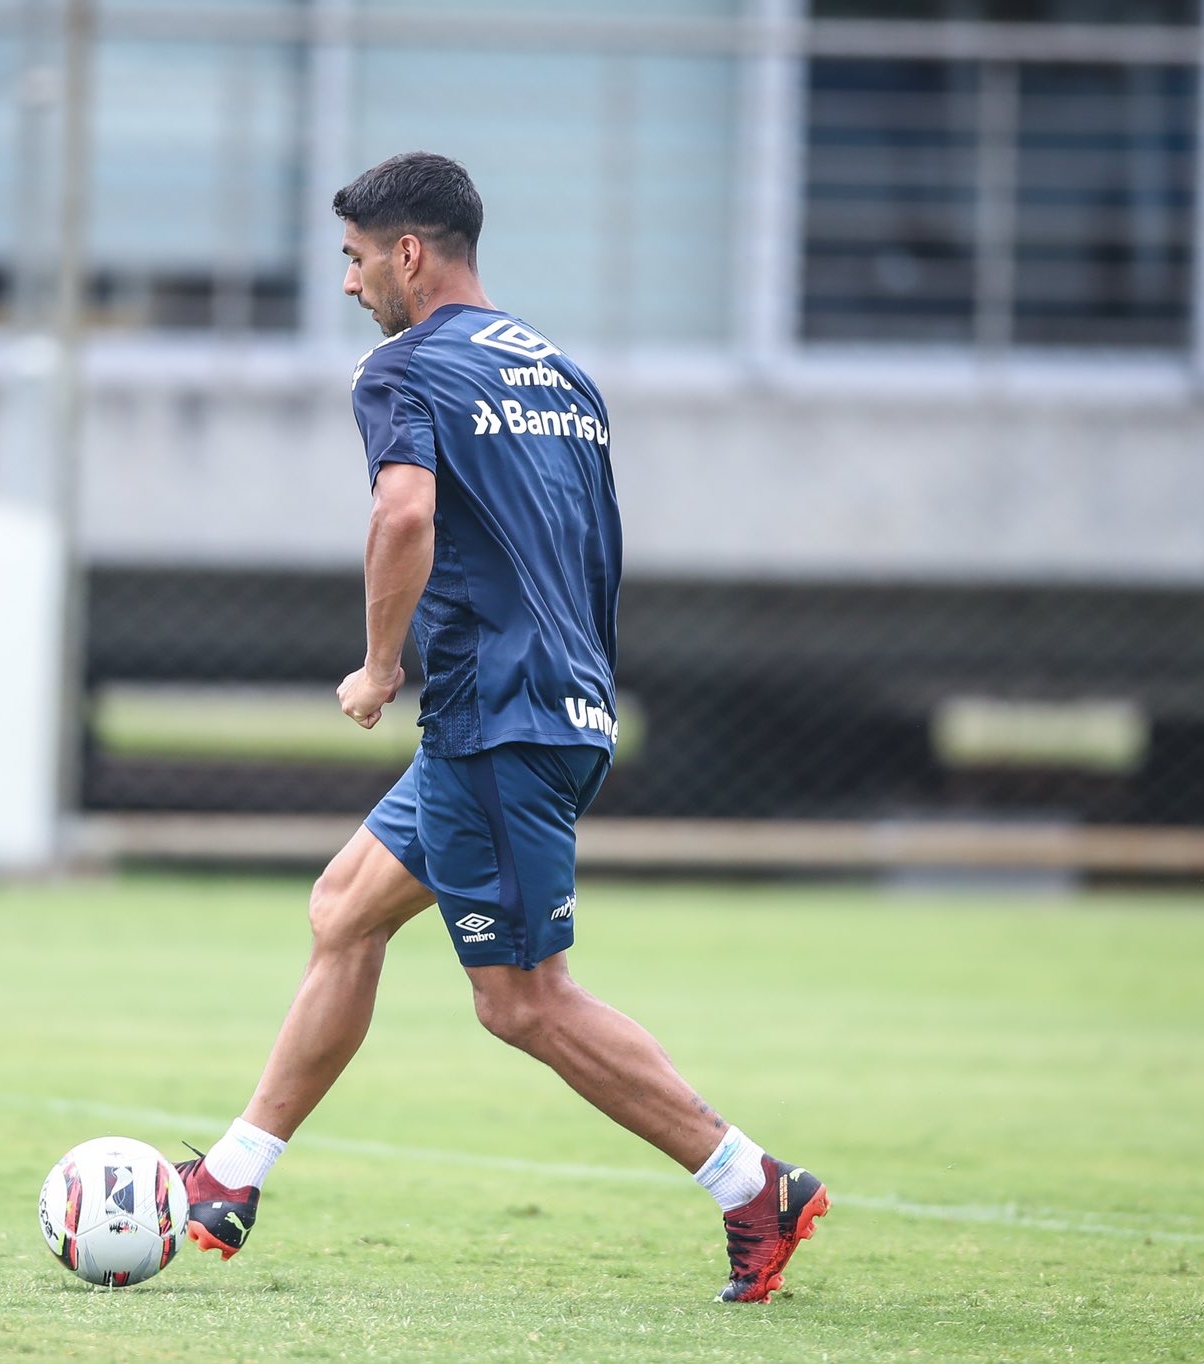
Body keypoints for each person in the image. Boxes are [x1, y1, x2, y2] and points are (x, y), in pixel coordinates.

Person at [176, 152, 828, 1304]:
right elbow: (588, 543)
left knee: (520, 997)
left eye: (354, 257)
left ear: (408, 254)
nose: (349, 283)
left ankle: (750, 1184)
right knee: (343, 909)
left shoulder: (403, 367)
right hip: (556, 696)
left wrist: (380, 665)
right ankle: (229, 1177)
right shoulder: (559, 371)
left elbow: (405, 509)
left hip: (494, 715)